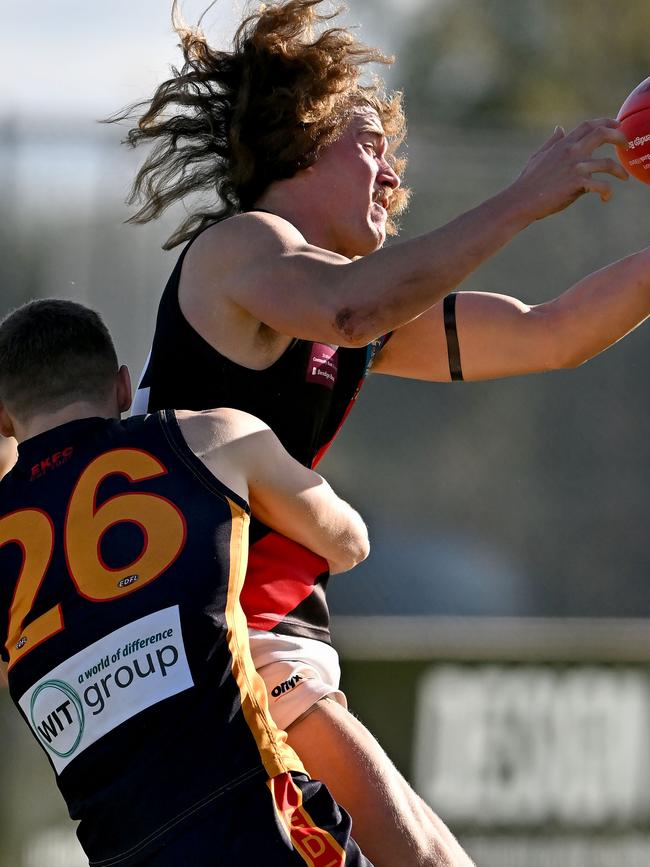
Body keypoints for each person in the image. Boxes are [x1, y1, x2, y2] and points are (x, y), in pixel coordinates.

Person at [120, 2, 650, 865]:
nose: (392, 177)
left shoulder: (352, 311)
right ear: (303, 137)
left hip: (276, 642)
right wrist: (522, 198)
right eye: (369, 144)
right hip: (217, 641)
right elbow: (352, 303)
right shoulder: (243, 247)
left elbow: (552, 332)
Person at [0, 298, 374, 867]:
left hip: (123, 849)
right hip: (258, 811)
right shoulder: (211, 438)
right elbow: (350, 542)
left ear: (4, 418)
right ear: (124, 387)